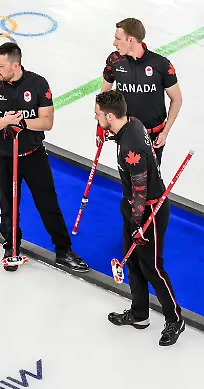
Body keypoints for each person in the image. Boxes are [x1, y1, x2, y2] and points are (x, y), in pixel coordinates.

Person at [0, 42, 89, 273]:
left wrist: (22, 122)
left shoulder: (38, 84)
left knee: (48, 203)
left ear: (15, 65)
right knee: (8, 204)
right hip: (3, 157)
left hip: (33, 155)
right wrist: (6, 121)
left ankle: (64, 250)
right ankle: (12, 247)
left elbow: (47, 121)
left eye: (1, 65)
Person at [94, 90, 184, 346]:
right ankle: (139, 313)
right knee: (133, 261)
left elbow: (141, 190)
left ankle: (175, 319)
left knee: (152, 267)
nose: (95, 117)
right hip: (133, 205)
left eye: (98, 114)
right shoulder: (132, 123)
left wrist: (138, 224)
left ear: (110, 116)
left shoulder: (130, 147)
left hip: (148, 211)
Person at [99, 18, 182, 169]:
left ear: (130, 40)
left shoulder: (161, 65)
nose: (114, 43)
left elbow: (177, 99)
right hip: (125, 133)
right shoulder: (115, 61)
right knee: (129, 180)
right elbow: (103, 95)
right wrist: (101, 124)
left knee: (150, 183)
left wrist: (165, 132)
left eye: (118, 39)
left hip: (153, 136)